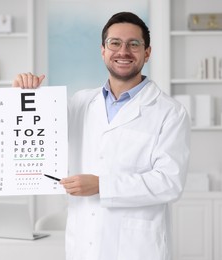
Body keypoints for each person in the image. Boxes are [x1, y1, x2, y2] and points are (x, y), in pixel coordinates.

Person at [13, 12, 190, 260]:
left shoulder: (169, 112)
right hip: (83, 244)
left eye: (134, 44)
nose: (123, 51)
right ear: (103, 51)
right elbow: (38, 132)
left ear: (147, 52)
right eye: (115, 43)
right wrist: (27, 92)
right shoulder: (80, 103)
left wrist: (101, 185)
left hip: (137, 247)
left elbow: (169, 183)